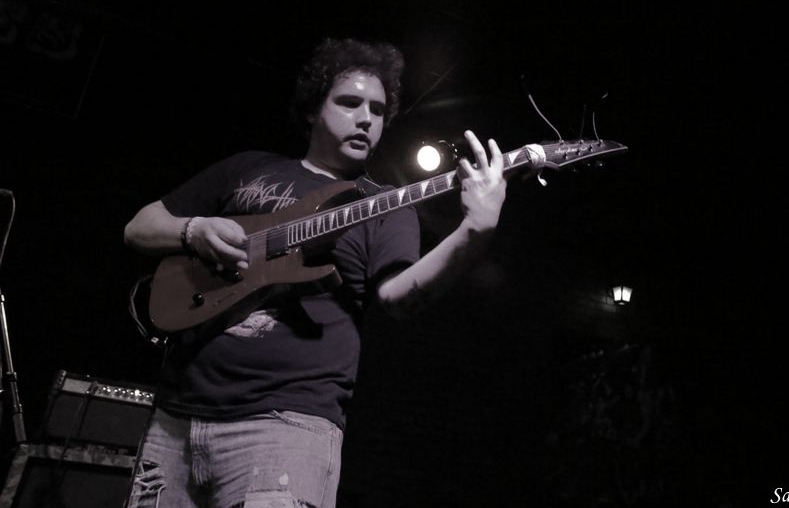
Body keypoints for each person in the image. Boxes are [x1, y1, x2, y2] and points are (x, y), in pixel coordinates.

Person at [122, 37, 508, 508]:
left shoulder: (385, 206)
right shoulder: (247, 167)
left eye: (378, 110)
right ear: (312, 110)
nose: (366, 118)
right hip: (174, 417)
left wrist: (473, 231)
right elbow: (138, 227)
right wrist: (194, 229)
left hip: (286, 426)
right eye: (349, 103)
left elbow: (399, 298)